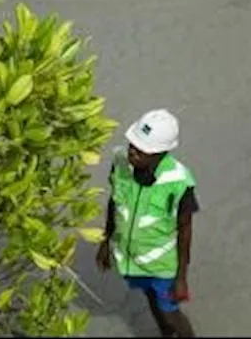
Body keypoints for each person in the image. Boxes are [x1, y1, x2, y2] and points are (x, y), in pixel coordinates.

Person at [97, 109, 199, 338]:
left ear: (161, 153)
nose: (133, 152)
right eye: (132, 144)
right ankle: (165, 334)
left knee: (171, 312)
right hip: (132, 258)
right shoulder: (120, 163)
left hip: (163, 266)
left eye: (142, 150)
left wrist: (181, 278)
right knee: (150, 299)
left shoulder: (179, 182)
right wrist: (105, 243)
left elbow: (185, 231)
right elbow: (114, 203)